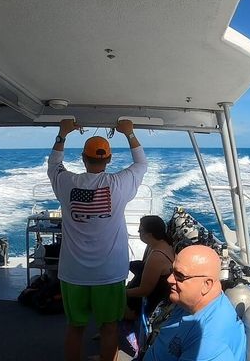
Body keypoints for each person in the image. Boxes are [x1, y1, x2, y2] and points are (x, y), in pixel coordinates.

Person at [47, 118, 148, 361]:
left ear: (83, 158)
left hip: (73, 273)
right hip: (109, 273)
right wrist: (129, 133)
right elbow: (141, 163)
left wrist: (62, 134)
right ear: (109, 159)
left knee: (75, 328)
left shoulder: (66, 182)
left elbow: (54, 164)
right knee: (109, 328)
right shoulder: (119, 184)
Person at [144, 245, 246, 361]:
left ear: (206, 284)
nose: (169, 279)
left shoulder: (209, 341)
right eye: (172, 271)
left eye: (179, 276)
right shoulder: (189, 301)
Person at [126, 215, 174, 319]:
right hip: (147, 296)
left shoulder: (157, 256)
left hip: (147, 305)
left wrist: (121, 293)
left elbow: (144, 291)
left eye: (140, 231)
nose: (138, 232)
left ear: (149, 234)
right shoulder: (161, 245)